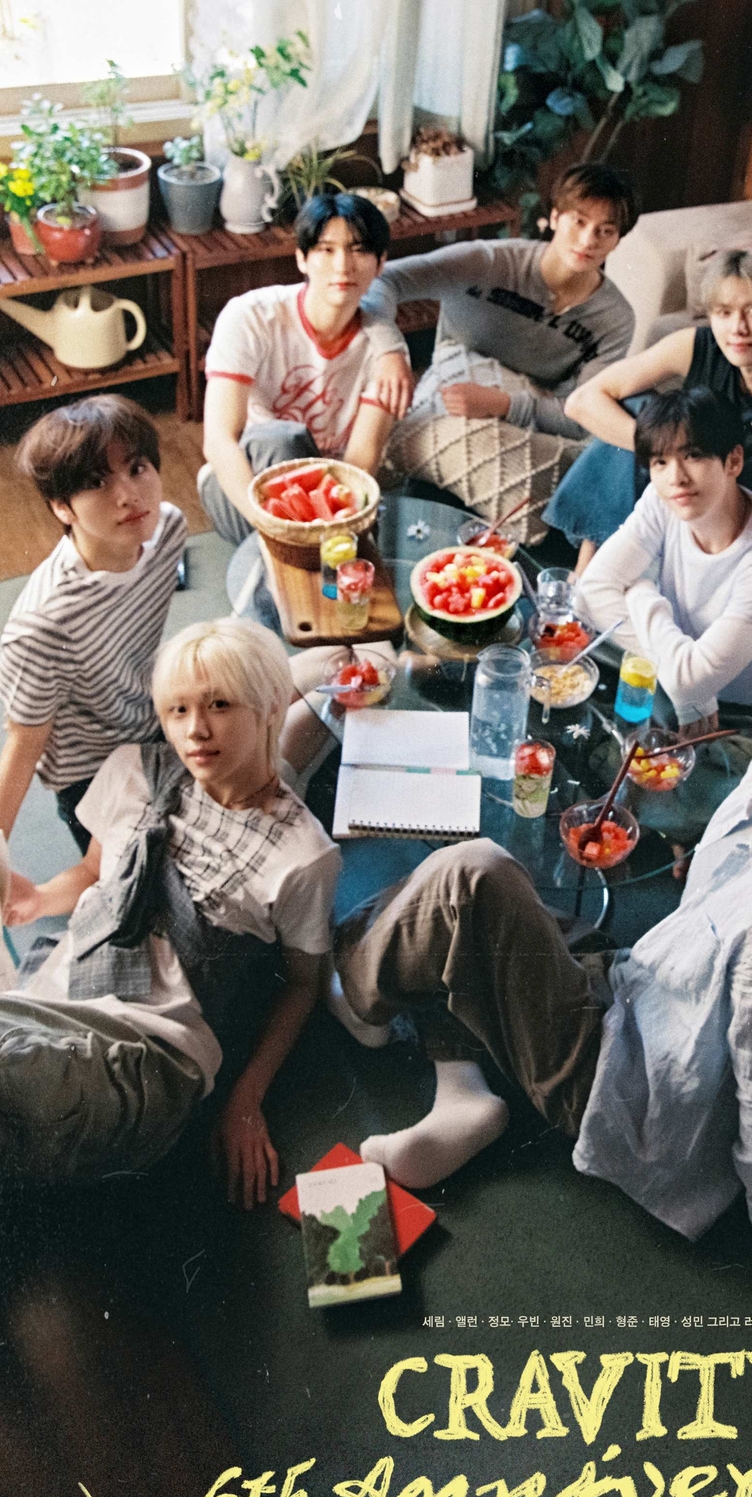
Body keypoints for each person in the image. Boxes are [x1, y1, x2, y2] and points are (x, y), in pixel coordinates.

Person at [334, 643, 752, 1292]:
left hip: (617, 1081)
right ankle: (462, 1091)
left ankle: (355, 994)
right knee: (487, 905)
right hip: (638, 981)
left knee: (473, 874)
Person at [1, 620, 341, 1209]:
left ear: (270, 705)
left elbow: (302, 985)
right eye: (177, 710)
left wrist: (245, 1099)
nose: (194, 730)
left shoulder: (303, 855)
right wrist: (37, 901)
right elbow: (93, 873)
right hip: (48, 1009)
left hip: (147, 1057)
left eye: (218, 705)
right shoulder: (133, 770)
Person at [200, 192, 415, 631]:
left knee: (364, 595)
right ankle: (280, 606)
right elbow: (218, 441)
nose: (343, 266)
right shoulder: (251, 317)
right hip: (243, 489)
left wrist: (326, 531)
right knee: (285, 439)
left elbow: (362, 460)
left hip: (327, 505)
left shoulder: (384, 354)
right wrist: (277, 529)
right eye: (326, 250)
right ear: (301, 258)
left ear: (380, 263)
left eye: (358, 250)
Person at [366, 162, 638, 483]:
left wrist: (504, 404)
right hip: (455, 387)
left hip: (533, 418)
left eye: (605, 231)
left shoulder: (615, 318)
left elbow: (583, 414)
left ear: (617, 240)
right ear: (554, 217)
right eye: (578, 221)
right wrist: (390, 353)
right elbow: (382, 281)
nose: (588, 239)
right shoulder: (489, 262)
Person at [574, 387, 752, 735]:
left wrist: (640, 590)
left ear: (733, 461)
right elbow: (591, 592)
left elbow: (690, 682)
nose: (676, 477)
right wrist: (681, 672)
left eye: (692, 455)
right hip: (682, 686)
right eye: (660, 462)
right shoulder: (665, 499)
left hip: (748, 721)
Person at [0, 396, 186, 853]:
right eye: (96, 482)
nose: (128, 495)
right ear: (62, 507)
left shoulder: (168, 531)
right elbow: (22, 749)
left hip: (151, 720)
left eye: (137, 468)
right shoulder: (42, 627)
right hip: (91, 774)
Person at [547, 246, 752, 569]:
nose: (738, 328)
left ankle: (594, 571)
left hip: (746, 501)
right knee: (643, 412)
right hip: (684, 483)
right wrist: (665, 452)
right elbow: (582, 401)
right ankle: (586, 570)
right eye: (724, 313)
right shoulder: (698, 345)